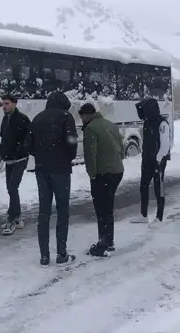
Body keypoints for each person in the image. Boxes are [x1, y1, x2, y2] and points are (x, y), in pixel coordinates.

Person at [26, 91, 78, 266]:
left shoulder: (38, 118)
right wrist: (66, 156)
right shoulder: (66, 116)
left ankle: (44, 256)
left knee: (44, 212)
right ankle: (61, 254)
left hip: (42, 170)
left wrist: (42, 156)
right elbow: (72, 142)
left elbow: (29, 146)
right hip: (61, 170)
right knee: (62, 212)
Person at [79, 103, 124, 257]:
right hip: (117, 171)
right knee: (108, 205)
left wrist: (92, 175)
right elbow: (121, 147)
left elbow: (90, 155)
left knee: (101, 208)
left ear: (87, 115)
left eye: (81, 115)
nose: (81, 119)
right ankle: (109, 241)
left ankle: (103, 243)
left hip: (102, 173)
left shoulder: (90, 128)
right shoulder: (111, 125)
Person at [131, 97, 171, 228]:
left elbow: (165, 145)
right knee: (143, 186)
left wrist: (158, 159)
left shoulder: (162, 123)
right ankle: (143, 215)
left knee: (159, 188)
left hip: (158, 160)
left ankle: (159, 218)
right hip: (147, 158)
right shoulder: (147, 121)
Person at [0, 94, 31, 236]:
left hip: (20, 159)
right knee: (10, 188)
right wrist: (1, 152)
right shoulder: (5, 119)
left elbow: (28, 138)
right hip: (9, 159)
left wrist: (19, 150)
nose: (4, 106)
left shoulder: (22, 119)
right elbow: (3, 137)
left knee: (12, 187)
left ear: (14, 104)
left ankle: (14, 217)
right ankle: (16, 217)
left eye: (7, 103)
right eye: (3, 104)